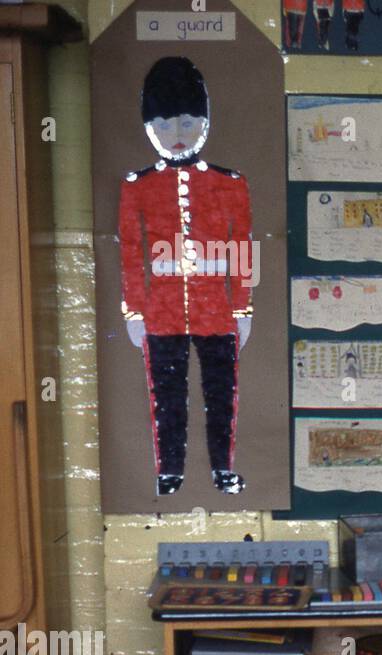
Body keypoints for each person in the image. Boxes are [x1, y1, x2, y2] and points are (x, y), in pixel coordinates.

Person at [118, 58, 253, 496]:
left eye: (187, 122)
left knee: (221, 396)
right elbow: (132, 251)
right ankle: (169, 470)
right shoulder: (137, 187)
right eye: (164, 124)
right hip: (163, 310)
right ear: (149, 128)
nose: (177, 134)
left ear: (204, 123)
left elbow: (241, 247)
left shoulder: (230, 184)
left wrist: (242, 306)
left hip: (216, 307)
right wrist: (136, 310)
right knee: (168, 399)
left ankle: (222, 468)